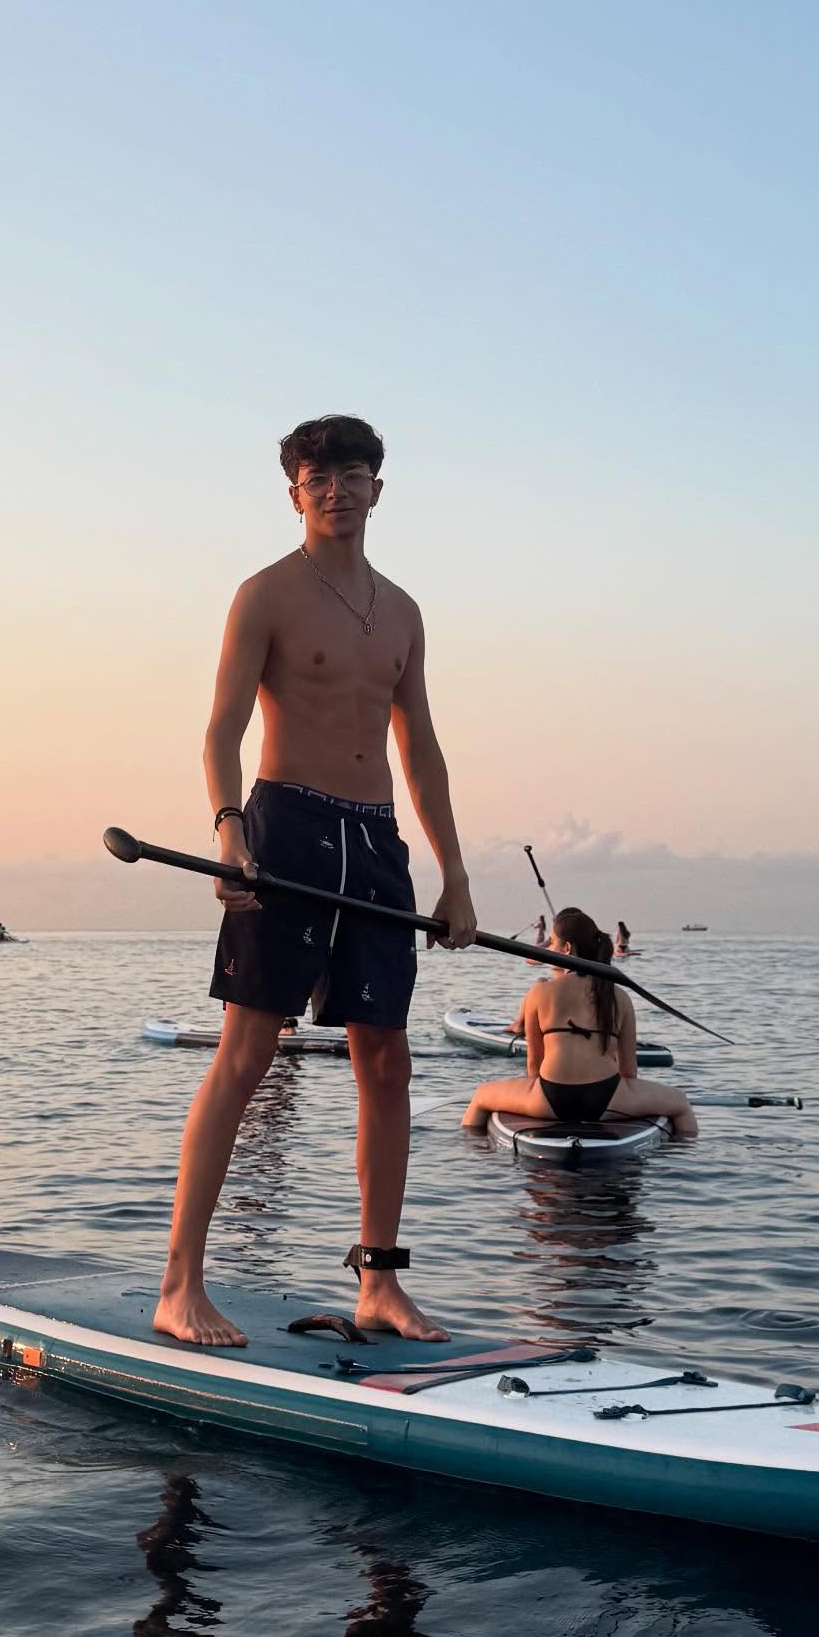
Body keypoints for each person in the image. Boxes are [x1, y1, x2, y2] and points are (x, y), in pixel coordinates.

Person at [155, 414, 476, 1349]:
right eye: (317, 477)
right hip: (285, 827)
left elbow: (422, 750)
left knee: (388, 1059)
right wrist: (229, 831)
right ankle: (180, 1286)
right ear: (294, 494)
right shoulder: (265, 595)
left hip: (374, 841)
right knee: (247, 1051)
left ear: (378, 487)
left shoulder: (403, 611)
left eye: (352, 474)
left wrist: (455, 875)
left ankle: (380, 1284)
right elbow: (220, 731)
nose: (336, 490)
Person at [461, 907, 697, 1137]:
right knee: (681, 1104)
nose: (549, 950)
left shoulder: (539, 992)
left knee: (481, 1096)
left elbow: (534, 1064)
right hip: (607, 1098)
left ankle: (474, 1153)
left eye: (552, 943)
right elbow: (629, 1072)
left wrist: (534, 1102)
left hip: (550, 1096)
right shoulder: (620, 996)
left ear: (567, 948)